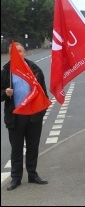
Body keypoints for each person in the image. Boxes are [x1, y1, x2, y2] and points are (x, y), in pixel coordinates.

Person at [1, 42, 49, 191]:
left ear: (25, 52)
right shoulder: (6, 71)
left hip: (33, 115)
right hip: (16, 116)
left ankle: (33, 174)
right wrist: (5, 93)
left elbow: (43, 93)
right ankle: (16, 178)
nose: (17, 54)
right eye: (14, 52)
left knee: (33, 146)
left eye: (20, 51)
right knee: (16, 148)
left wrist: (41, 113)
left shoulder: (34, 69)